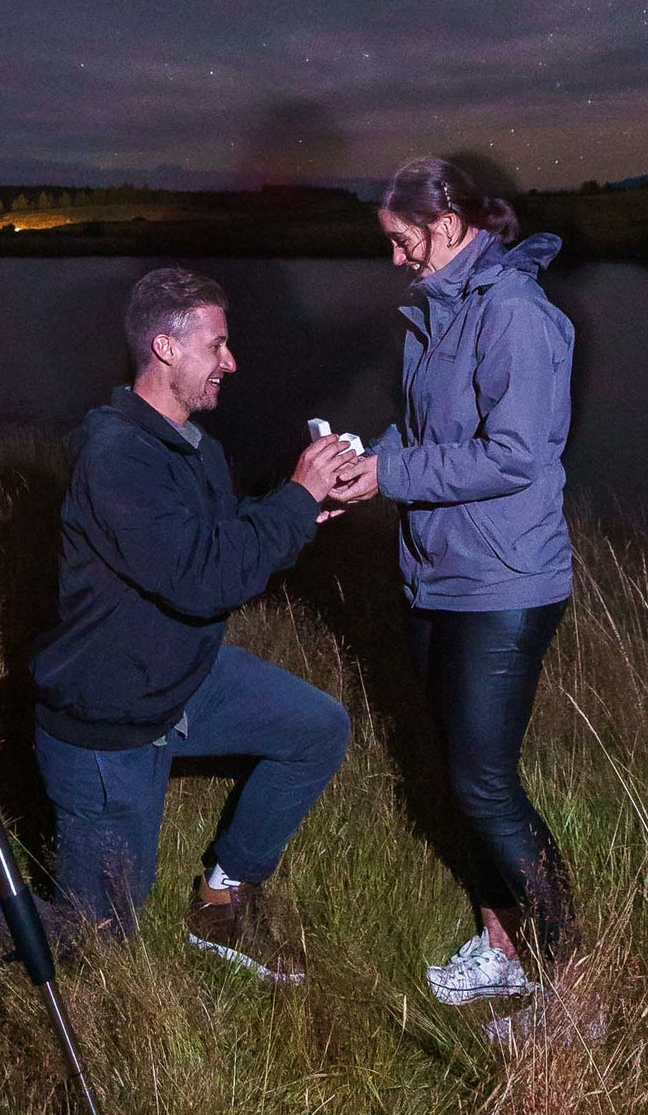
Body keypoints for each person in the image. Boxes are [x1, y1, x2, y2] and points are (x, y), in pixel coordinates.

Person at [31, 264, 369, 980]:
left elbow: (218, 544)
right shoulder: (117, 456)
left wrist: (305, 509)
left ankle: (221, 899)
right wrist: (296, 499)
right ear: (165, 348)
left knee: (316, 727)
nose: (231, 362)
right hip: (111, 722)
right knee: (94, 941)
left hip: (179, 678)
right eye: (217, 346)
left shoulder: (194, 446)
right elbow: (205, 577)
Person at [338, 157, 578, 1009]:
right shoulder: (432, 311)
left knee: (484, 779)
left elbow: (514, 454)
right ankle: (502, 943)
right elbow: (421, 428)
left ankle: (572, 981)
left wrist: (390, 477)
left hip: (506, 579)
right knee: (456, 772)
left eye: (402, 241)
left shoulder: (515, 313)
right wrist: (359, 469)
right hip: (436, 572)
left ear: (445, 223)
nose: (395, 258)